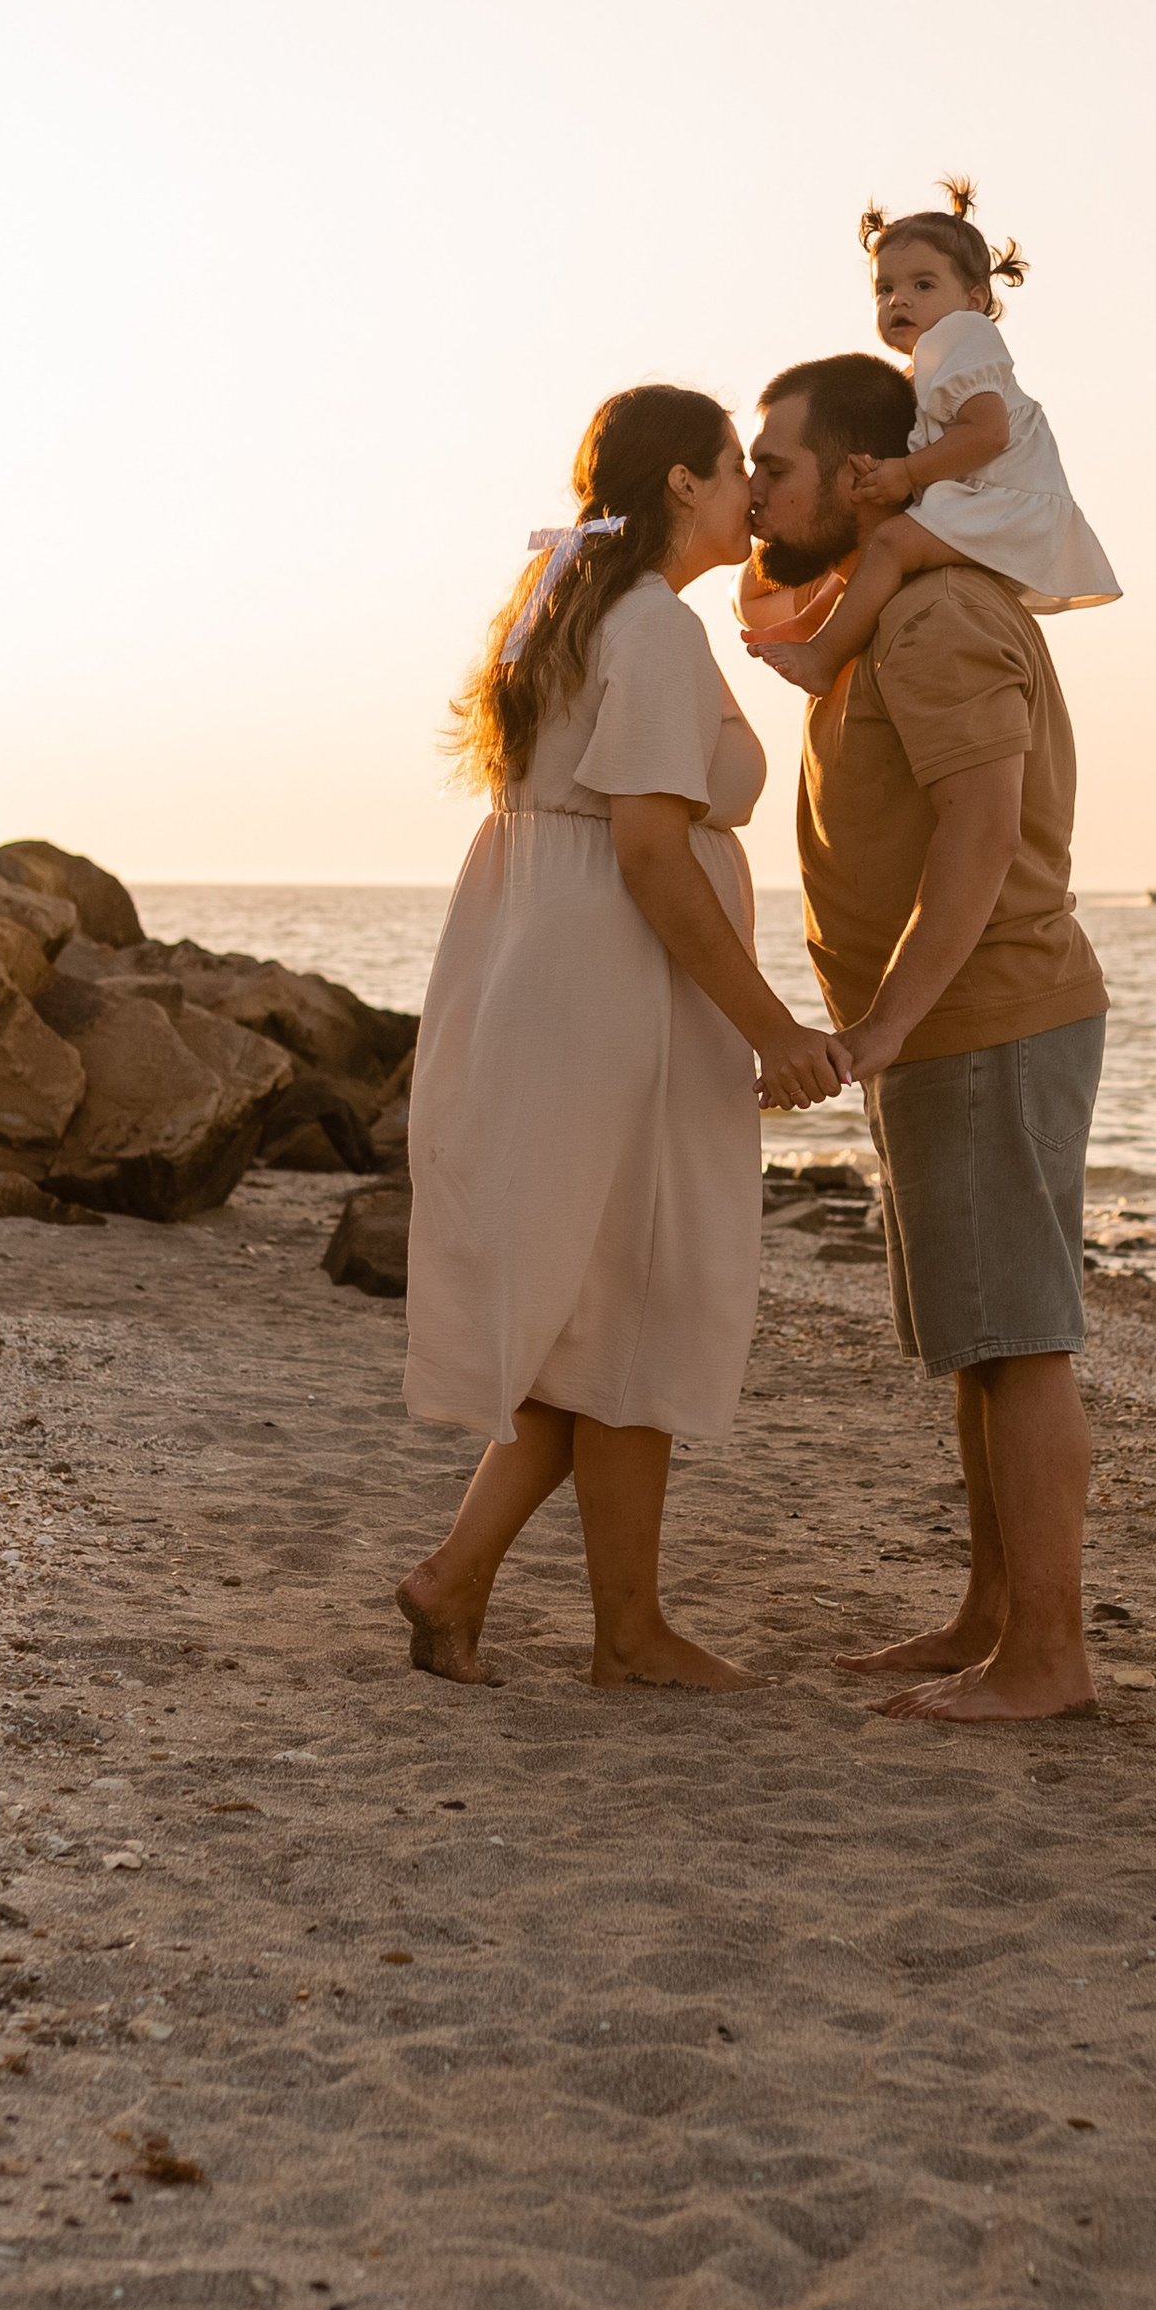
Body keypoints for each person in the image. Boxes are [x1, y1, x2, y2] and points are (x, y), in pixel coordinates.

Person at [397, 384, 850, 1694]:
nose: (751, 495)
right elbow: (655, 853)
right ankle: (621, 1630)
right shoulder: (648, 625)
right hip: (619, 986)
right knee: (640, 1293)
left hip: (546, 964)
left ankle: (481, 1585)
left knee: (605, 1305)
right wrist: (771, 1029)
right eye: (732, 472)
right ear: (679, 489)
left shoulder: (567, 602)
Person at [747, 353, 1110, 1724]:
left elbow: (980, 832)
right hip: (942, 1028)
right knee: (980, 1335)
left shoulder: (940, 615)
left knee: (1019, 1340)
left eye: (771, 464)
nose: (756, 487)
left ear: (856, 472)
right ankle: (991, 1615)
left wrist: (886, 1024)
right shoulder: (884, 608)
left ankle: (1050, 1654)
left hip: (982, 1017)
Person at [743, 181, 1119, 699]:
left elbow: (988, 432)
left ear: (975, 299)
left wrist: (906, 473)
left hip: (1002, 500)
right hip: (984, 500)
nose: (899, 299)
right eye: (885, 288)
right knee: (887, 546)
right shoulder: (932, 364)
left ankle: (824, 657)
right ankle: (819, 626)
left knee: (892, 543)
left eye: (923, 285)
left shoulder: (960, 337)